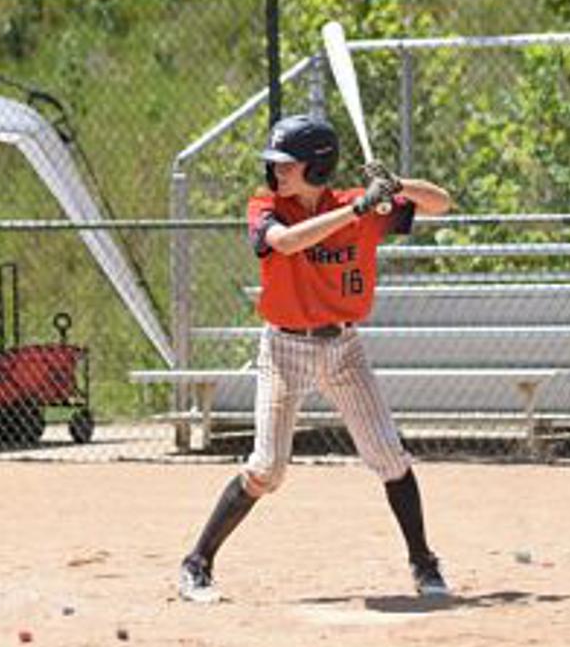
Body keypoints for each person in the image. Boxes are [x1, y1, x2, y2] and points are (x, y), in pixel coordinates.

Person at [177, 114, 457, 603]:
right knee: (267, 469)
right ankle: (197, 562)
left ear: (317, 167)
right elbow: (286, 242)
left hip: (344, 348)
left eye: (288, 164)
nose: (277, 171)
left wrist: (396, 184)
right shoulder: (267, 206)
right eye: (275, 163)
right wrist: (358, 210)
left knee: (390, 457)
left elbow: (441, 203)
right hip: (284, 349)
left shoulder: (360, 205)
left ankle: (423, 562)